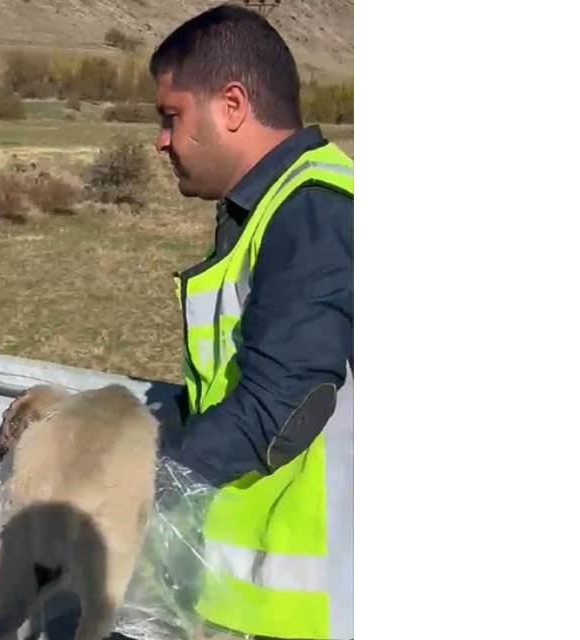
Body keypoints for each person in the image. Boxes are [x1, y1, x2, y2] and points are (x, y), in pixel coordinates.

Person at [144, 5, 354, 640]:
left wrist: (136, 480)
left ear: (231, 105)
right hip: (259, 596)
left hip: (315, 611)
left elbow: (280, 404)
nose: (161, 140)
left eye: (171, 116)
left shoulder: (311, 212)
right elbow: (232, 386)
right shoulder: (270, 209)